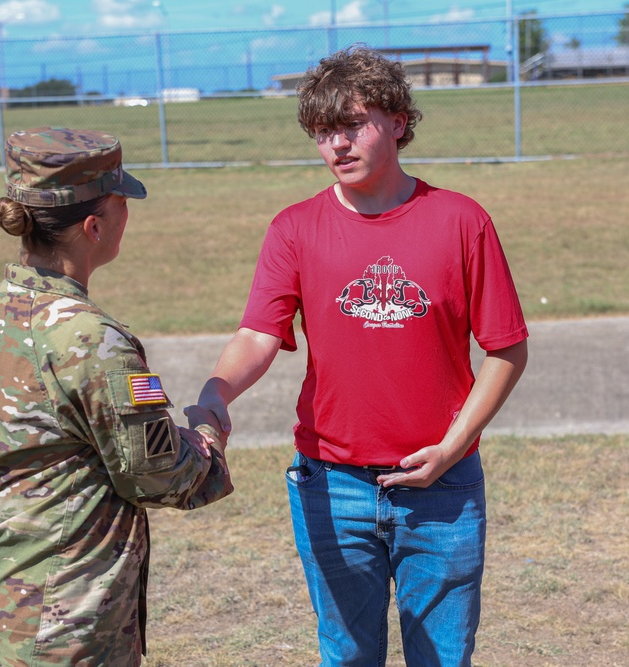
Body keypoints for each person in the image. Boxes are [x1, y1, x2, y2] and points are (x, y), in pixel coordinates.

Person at [195, 46, 529, 666]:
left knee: (444, 658)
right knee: (346, 656)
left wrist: (453, 447)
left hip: (443, 488)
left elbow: (507, 347)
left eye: (353, 125)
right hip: (332, 484)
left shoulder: (461, 221)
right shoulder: (294, 228)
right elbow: (258, 334)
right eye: (323, 133)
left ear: (399, 121)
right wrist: (215, 392)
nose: (337, 146)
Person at [0, 127, 233, 667]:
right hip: (67, 625)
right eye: (121, 202)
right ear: (93, 225)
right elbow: (157, 474)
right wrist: (207, 435)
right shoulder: (91, 339)